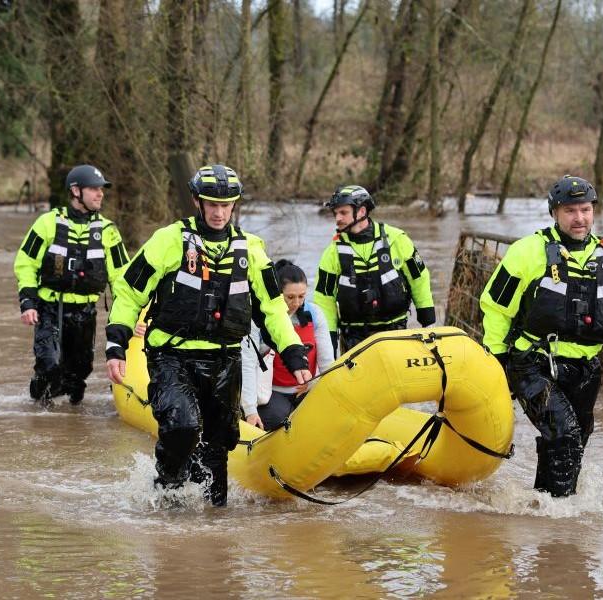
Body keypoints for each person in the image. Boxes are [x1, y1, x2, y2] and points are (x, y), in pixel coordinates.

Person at [104, 164, 311, 506]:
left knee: (220, 441)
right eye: (211, 204)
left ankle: (214, 519)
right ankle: (167, 492)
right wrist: (116, 345)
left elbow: (273, 309)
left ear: (234, 206)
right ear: (197, 203)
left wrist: (293, 353)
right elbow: (129, 293)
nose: (218, 212)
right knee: (182, 425)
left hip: (224, 359)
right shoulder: (169, 241)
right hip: (172, 356)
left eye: (225, 205)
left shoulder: (252, 250)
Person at [480, 175, 603, 498]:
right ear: (554, 213)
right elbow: (496, 307)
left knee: (574, 442)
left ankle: (543, 512)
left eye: (586, 210)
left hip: (586, 370)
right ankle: (562, 525)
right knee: (565, 435)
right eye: (571, 211)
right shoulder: (527, 252)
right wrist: (496, 360)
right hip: (533, 363)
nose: (579, 218)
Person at [14, 164, 130, 406]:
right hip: (50, 309)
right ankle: (40, 401)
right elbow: (26, 263)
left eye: (102, 190)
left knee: (78, 374)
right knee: (50, 364)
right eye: (94, 189)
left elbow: (121, 277)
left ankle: (68, 408)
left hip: (85, 313)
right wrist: (27, 302)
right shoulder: (48, 223)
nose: (101, 194)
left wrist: (132, 318)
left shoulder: (108, 231)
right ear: (76, 191)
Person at [313, 184, 435, 353]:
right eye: (336, 213)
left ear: (362, 211)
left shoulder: (397, 239)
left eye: (343, 212)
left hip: (396, 333)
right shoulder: (332, 252)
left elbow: (419, 278)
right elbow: (324, 299)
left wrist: (427, 319)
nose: (337, 218)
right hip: (353, 338)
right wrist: (329, 340)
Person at [240, 259, 335, 431]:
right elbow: (247, 364)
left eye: (301, 296)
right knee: (279, 419)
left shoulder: (315, 314)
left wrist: (314, 384)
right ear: (277, 293)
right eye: (290, 297)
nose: (296, 303)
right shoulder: (257, 319)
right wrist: (250, 410)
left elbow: (328, 362)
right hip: (271, 394)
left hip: (307, 390)